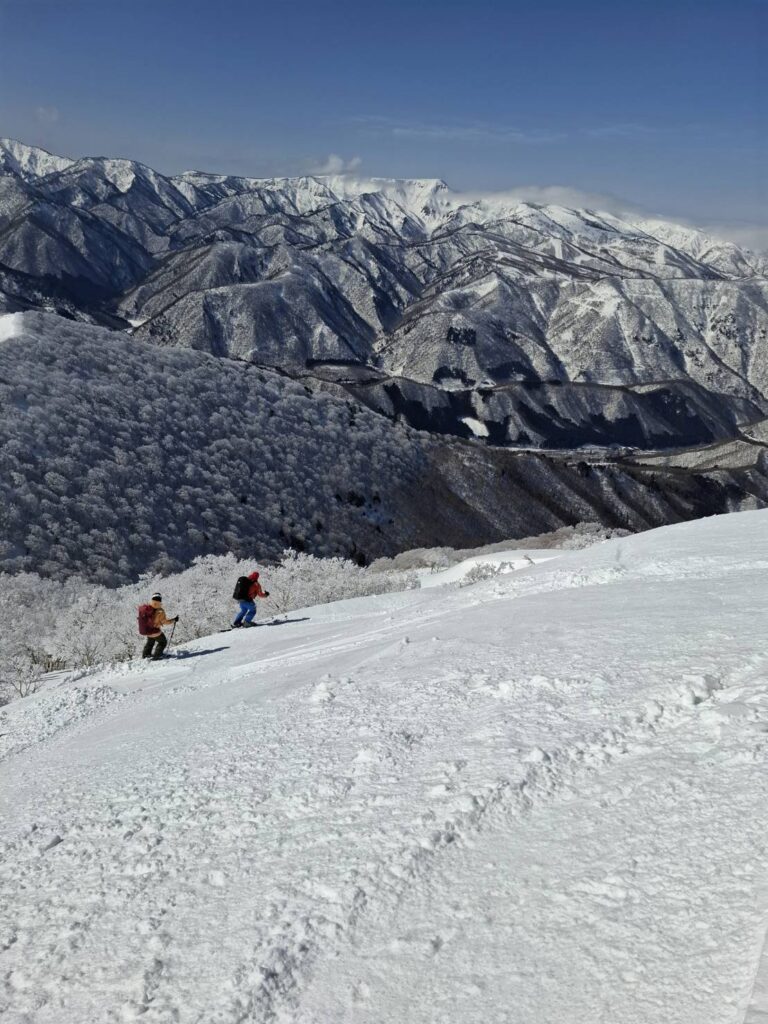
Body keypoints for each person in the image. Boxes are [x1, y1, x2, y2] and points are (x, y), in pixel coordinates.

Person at [139, 593, 179, 659]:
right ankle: (157, 655)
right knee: (163, 642)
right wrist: (174, 620)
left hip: (148, 630)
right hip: (155, 631)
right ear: (160, 600)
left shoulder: (147, 608)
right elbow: (165, 622)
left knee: (150, 642)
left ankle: (145, 655)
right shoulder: (160, 611)